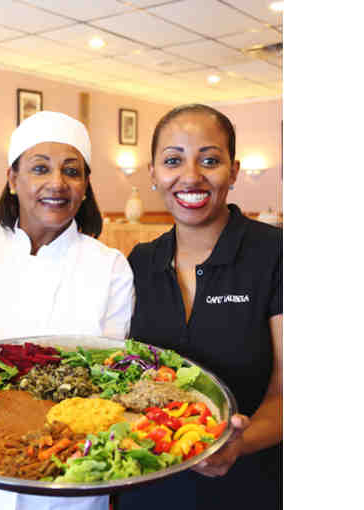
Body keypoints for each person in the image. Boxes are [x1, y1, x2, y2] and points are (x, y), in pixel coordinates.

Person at [0, 111, 134, 510]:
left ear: (85, 186)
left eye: (72, 171)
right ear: (12, 179)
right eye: (40, 168)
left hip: (67, 481)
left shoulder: (110, 267)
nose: (57, 183)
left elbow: (107, 375)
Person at [118, 104, 282, 510]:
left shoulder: (277, 253)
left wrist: (236, 443)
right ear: (153, 173)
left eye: (209, 160)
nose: (191, 176)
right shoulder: (139, 262)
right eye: (173, 161)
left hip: (249, 483)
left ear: (234, 171)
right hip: (148, 483)